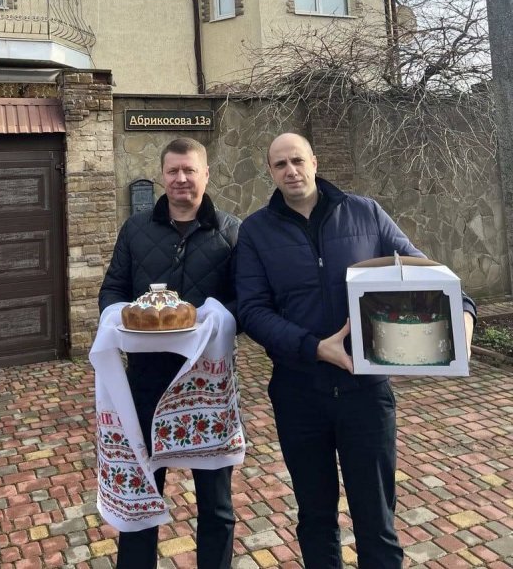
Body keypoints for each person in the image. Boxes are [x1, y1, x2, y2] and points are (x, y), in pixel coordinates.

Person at [235, 132, 476, 569]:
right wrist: (314, 348)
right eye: (280, 164)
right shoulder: (255, 231)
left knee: (377, 520)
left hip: (366, 392)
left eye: (297, 160)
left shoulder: (366, 212)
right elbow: (252, 310)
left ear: (314, 161)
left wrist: (462, 309)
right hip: (298, 392)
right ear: (270, 171)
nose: (291, 171)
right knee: (315, 518)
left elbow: (423, 270)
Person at [98, 137, 240, 569]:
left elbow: (246, 300)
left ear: (206, 174)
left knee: (216, 504)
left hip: (207, 386)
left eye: (189, 170)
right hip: (146, 383)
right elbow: (113, 289)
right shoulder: (136, 229)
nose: (181, 178)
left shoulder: (231, 232)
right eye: (173, 171)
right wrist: (115, 317)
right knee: (139, 497)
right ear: (162, 175)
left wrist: (217, 317)